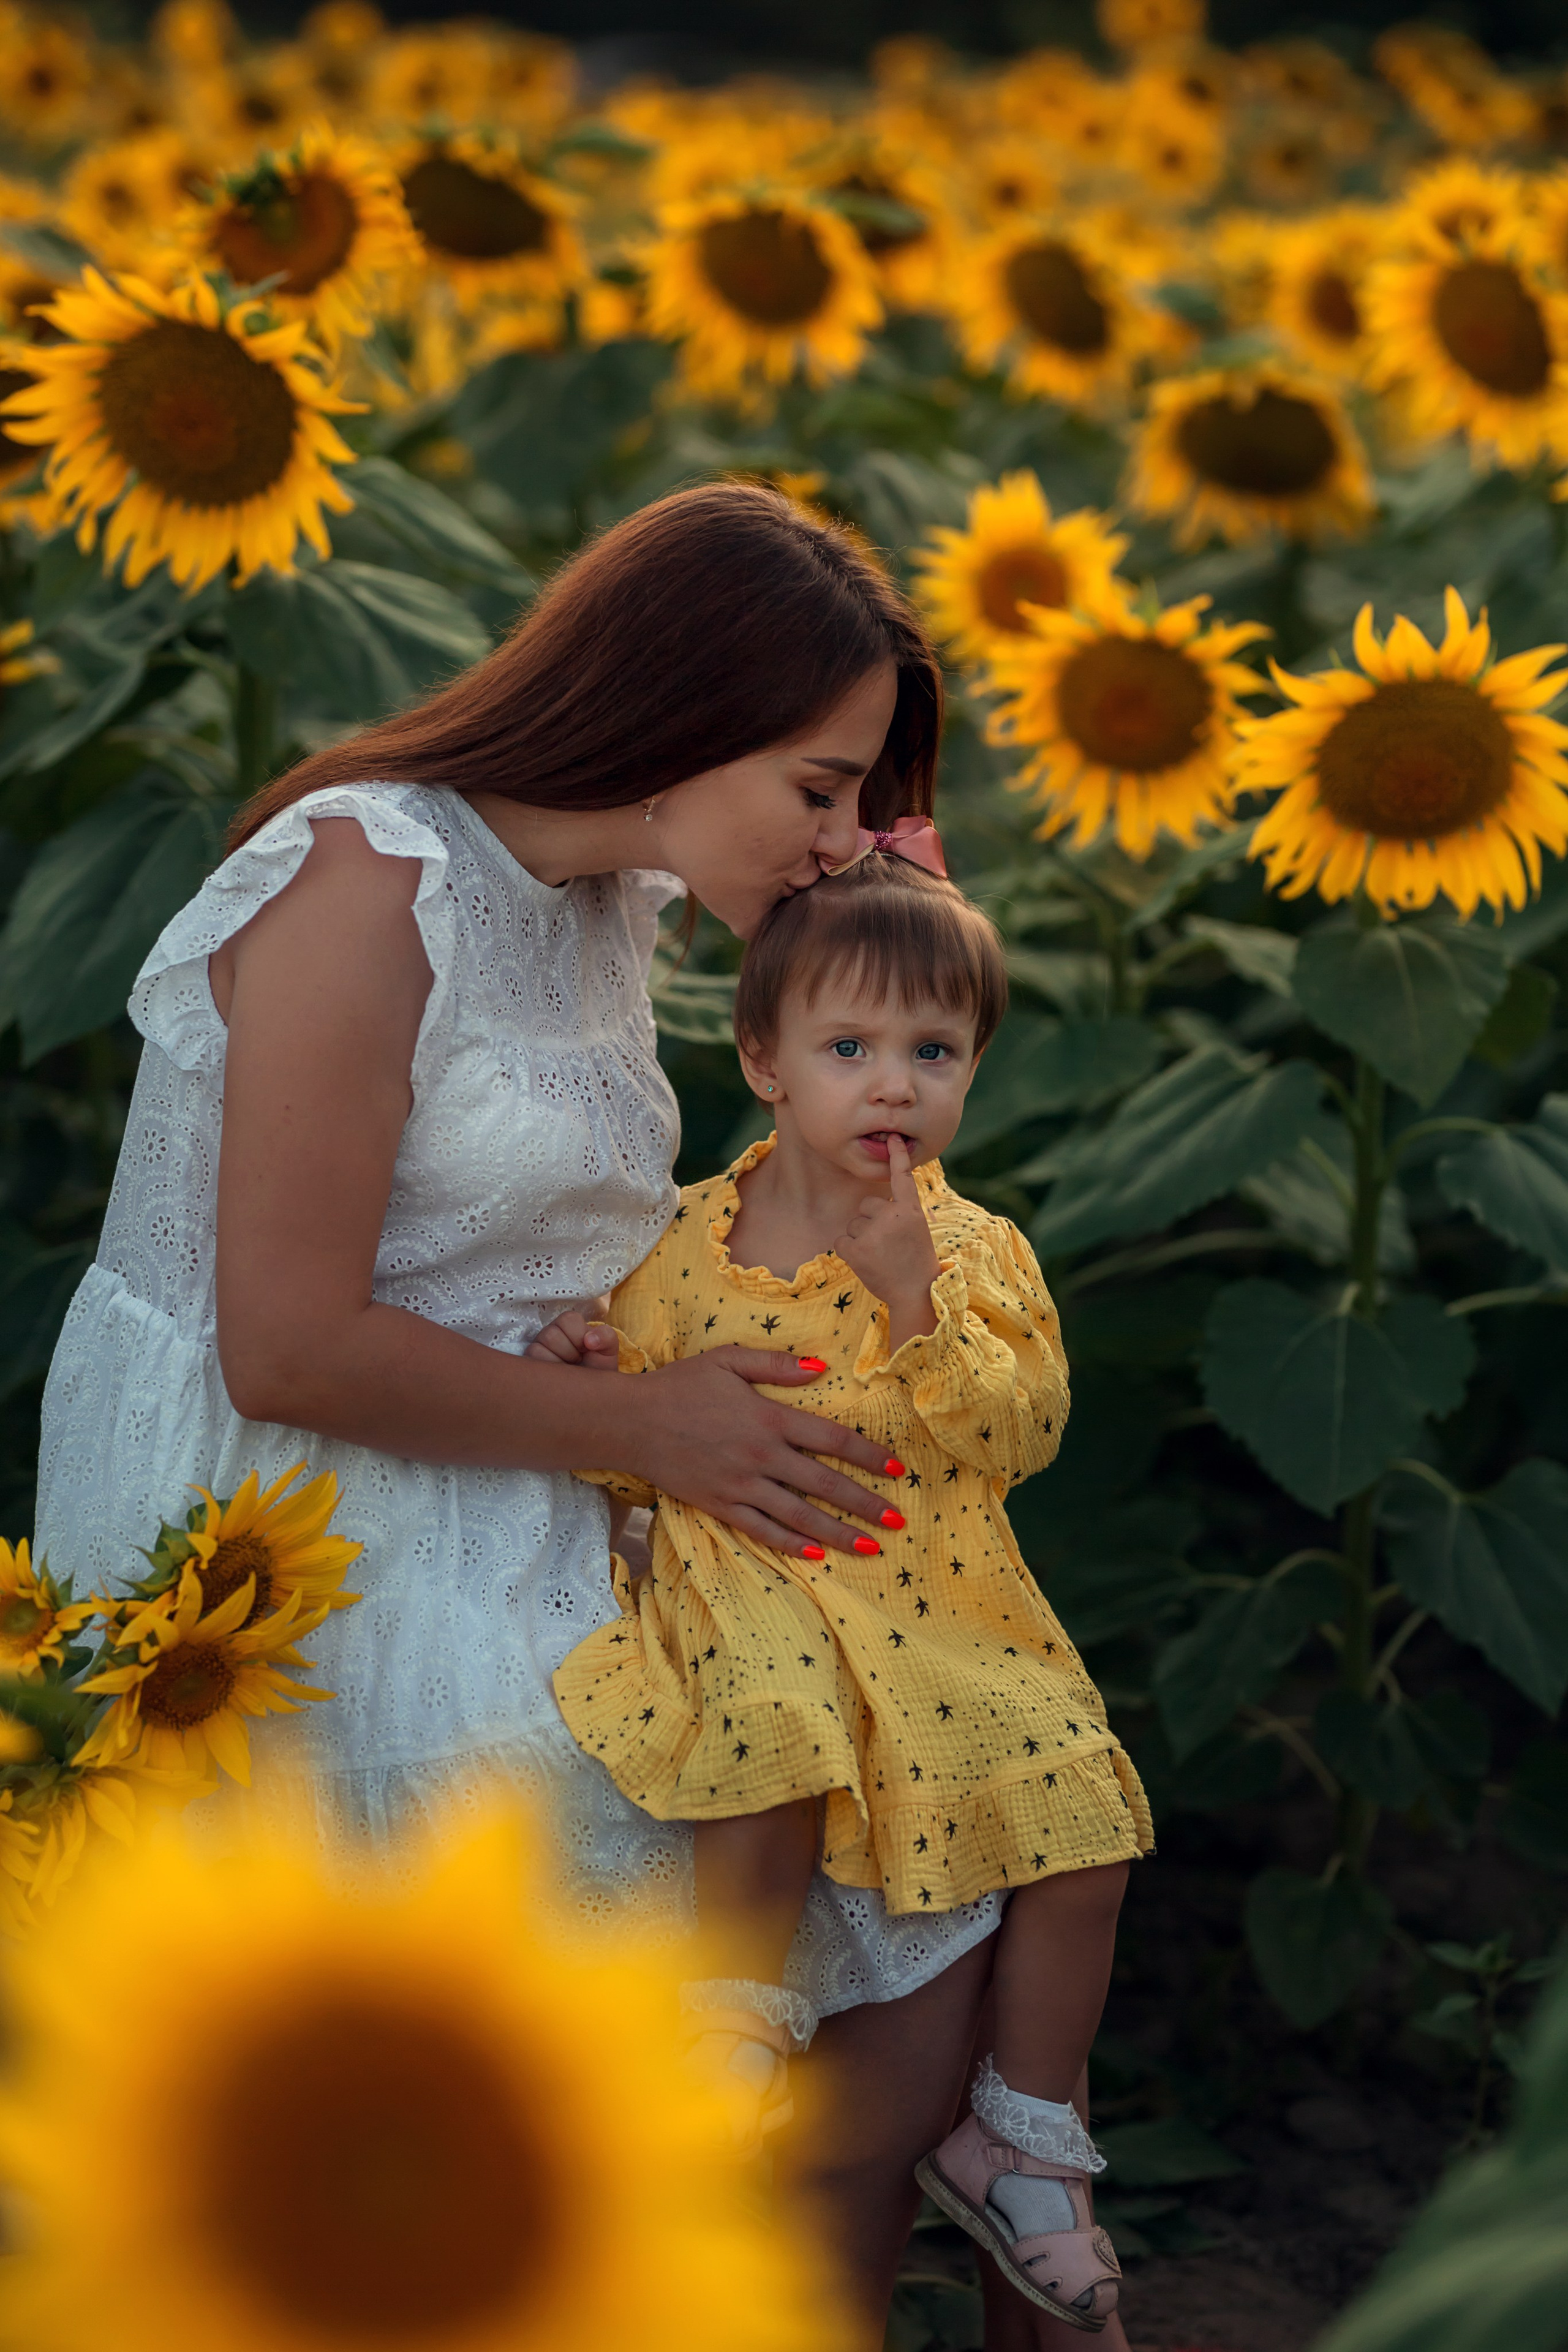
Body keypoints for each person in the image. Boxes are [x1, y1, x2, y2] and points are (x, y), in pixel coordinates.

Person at [34, 482, 1109, 2345]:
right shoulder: (366, 878)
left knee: (940, 1807)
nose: (847, 837)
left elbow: (552, 1237)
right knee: (693, 1846)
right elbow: (279, 1342)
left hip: (537, 1440)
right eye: (824, 785)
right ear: (683, 718)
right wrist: (663, 1435)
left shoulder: (613, 897)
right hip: (293, 1505)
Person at [539, 848, 1154, 2334]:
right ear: (763, 1060)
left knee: (1089, 1816)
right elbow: (633, 1445)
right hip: (757, 1585)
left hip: (943, 1610)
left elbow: (1021, 1434)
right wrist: (587, 1380)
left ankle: (1020, 2138)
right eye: (850, 1049)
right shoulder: (683, 1241)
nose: (892, 1087)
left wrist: (911, 1303)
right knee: (770, 1725)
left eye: (931, 1054)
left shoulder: (969, 1250)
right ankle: (728, 2022)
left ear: (971, 1073)